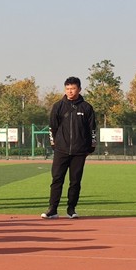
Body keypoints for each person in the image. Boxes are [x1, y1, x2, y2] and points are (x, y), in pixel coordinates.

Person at [41, 76, 96, 219]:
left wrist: (91, 146)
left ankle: (71, 209)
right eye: (67, 88)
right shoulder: (58, 106)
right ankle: (52, 209)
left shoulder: (86, 107)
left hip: (79, 151)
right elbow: (52, 128)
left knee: (75, 181)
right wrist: (55, 145)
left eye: (73, 88)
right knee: (57, 179)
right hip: (61, 150)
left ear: (79, 89)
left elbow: (92, 129)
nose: (70, 91)